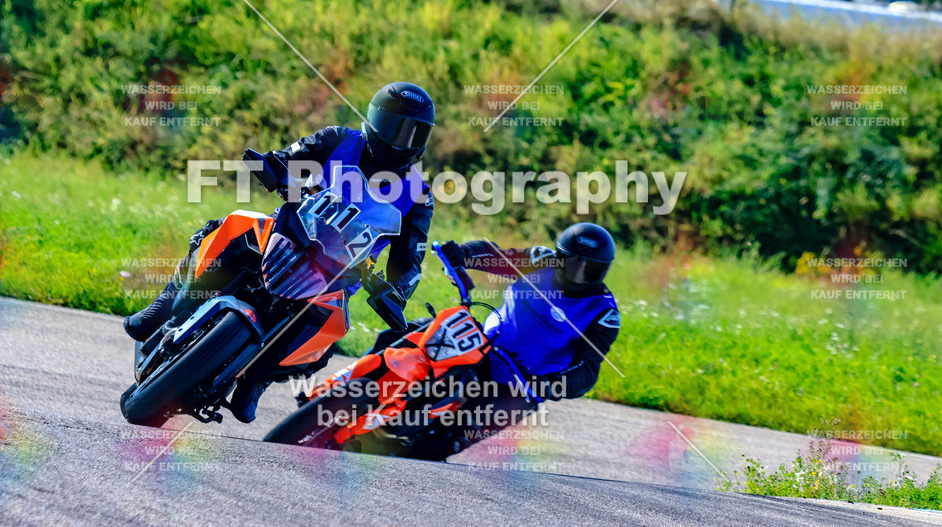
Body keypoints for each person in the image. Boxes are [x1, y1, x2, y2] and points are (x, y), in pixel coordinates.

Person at [123, 82, 436, 423]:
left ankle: (257, 380)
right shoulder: (338, 139)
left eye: (413, 133)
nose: (399, 140)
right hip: (288, 230)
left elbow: (409, 260)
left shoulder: (419, 195)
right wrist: (273, 167)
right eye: (393, 127)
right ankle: (166, 305)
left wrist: (396, 290)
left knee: (328, 335)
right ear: (374, 119)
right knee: (231, 226)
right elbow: (288, 157)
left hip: (338, 275)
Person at [371, 222, 620, 460]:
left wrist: (546, 384)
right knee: (416, 331)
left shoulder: (604, 314)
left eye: (590, 269)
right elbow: (494, 255)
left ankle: (411, 449)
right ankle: (364, 379)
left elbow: (587, 370)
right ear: (559, 256)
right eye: (572, 263)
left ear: (604, 270)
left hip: (521, 385)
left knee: (442, 443)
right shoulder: (541, 261)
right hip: (481, 345)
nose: (579, 275)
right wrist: (463, 254)